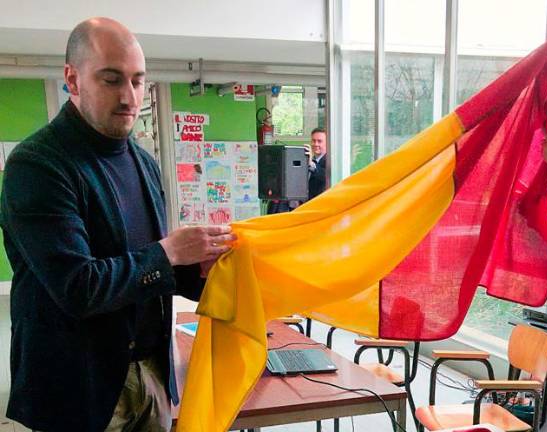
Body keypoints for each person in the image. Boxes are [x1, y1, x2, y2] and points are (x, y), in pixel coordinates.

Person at [0, 17, 235, 432]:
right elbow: (78, 288)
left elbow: (143, 266)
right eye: (111, 80)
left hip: (151, 372)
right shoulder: (37, 165)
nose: (130, 97)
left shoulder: (143, 163)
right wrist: (170, 252)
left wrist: (201, 268)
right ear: (72, 79)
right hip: (79, 385)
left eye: (138, 81)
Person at [266, 127, 327, 214]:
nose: (316, 144)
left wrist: (310, 163)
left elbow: (325, 176)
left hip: (319, 209)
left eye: (319, 141)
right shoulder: (310, 160)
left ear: (327, 143)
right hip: (304, 208)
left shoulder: (330, 161)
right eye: (313, 141)